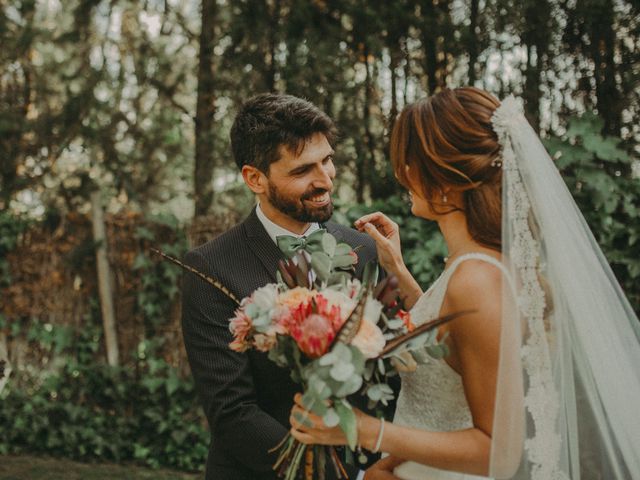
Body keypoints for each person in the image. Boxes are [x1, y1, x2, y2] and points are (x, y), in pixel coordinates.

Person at [290, 87, 640, 480]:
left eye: (410, 162)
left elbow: (500, 453)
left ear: (445, 179)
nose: (401, 174)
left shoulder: (477, 279)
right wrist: (400, 271)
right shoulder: (483, 263)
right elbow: (455, 349)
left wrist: (367, 431)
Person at [181, 93, 384, 480]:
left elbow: (388, 371)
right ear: (255, 178)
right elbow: (232, 411)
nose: (325, 179)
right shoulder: (209, 267)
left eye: (327, 160)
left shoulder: (365, 249)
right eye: (303, 170)